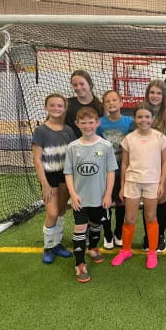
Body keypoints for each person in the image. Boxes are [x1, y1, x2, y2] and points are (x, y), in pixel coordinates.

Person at [111, 103, 166, 270]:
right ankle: (125, 250)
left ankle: (152, 252)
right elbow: (124, 164)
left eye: (147, 117)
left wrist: (161, 183)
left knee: (150, 217)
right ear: (135, 119)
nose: (143, 120)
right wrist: (122, 186)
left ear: (152, 119)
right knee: (129, 218)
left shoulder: (160, 138)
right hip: (132, 182)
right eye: (140, 117)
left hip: (152, 182)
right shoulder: (129, 139)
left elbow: (165, 162)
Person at [64, 107, 117, 282]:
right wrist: (73, 193)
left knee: (96, 225)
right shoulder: (72, 147)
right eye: (83, 122)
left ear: (97, 123)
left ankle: (93, 247)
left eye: (91, 122)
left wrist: (108, 195)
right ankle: (79, 264)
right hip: (80, 199)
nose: (87, 126)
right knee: (80, 228)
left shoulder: (106, 146)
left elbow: (110, 172)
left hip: (99, 198)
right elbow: (69, 173)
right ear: (77, 124)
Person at [32, 94, 76, 264]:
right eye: (53, 105)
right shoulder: (41, 131)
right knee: (52, 213)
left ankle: (57, 244)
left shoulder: (68, 130)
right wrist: (44, 184)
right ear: (46, 107)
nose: (56, 108)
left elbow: (73, 154)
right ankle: (48, 246)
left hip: (65, 176)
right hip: (49, 176)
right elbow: (37, 159)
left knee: (62, 211)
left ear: (64, 108)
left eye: (60, 106)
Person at [141, 79, 166, 253]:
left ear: (164, 96)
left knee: (160, 198)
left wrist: (158, 158)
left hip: (162, 164)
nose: (155, 96)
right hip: (143, 164)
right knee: (148, 200)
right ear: (147, 94)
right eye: (152, 92)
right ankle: (148, 236)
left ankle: (160, 235)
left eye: (158, 93)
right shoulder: (142, 112)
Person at [97, 90, 133, 250]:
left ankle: (119, 233)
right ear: (104, 105)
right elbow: (96, 146)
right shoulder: (99, 123)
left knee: (121, 202)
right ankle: (108, 234)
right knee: (106, 203)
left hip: (123, 171)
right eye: (107, 101)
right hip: (105, 173)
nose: (111, 103)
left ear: (121, 103)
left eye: (114, 100)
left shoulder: (129, 121)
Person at [65, 70, 104, 138]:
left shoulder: (100, 106)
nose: (78, 88)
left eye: (82, 84)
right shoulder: (67, 104)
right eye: (75, 85)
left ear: (90, 84)